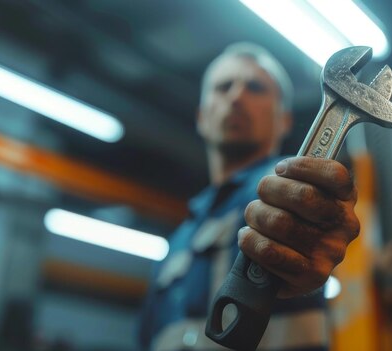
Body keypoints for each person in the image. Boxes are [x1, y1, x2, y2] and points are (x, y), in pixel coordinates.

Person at [139, 43, 360, 350]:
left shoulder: (293, 190)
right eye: (223, 87)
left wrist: (320, 232)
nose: (236, 96)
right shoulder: (178, 241)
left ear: (284, 120)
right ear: (202, 117)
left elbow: (324, 223)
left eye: (255, 88)